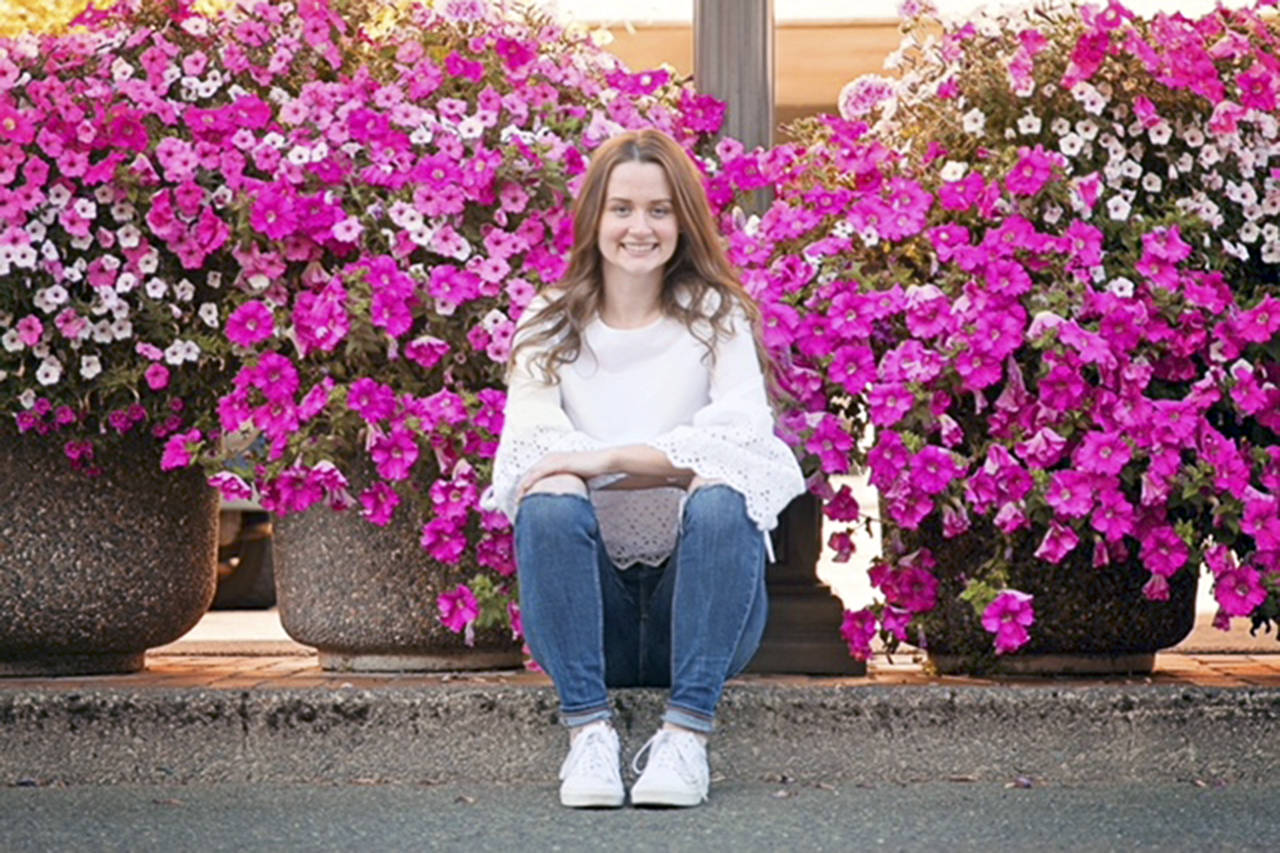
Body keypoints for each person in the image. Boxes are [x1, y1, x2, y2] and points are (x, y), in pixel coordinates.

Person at [486, 128, 805, 809]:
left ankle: (686, 734)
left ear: (683, 220)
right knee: (550, 497)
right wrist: (670, 462)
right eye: (622, 209)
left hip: (700, 614)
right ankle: (588, 733)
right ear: (593, 218)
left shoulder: (716, 316)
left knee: (724, 494)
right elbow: (532, 460)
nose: (641, 227)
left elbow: (742, 447)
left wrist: (601, 457)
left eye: (660, 210)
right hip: (587, 619)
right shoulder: (547, 322)